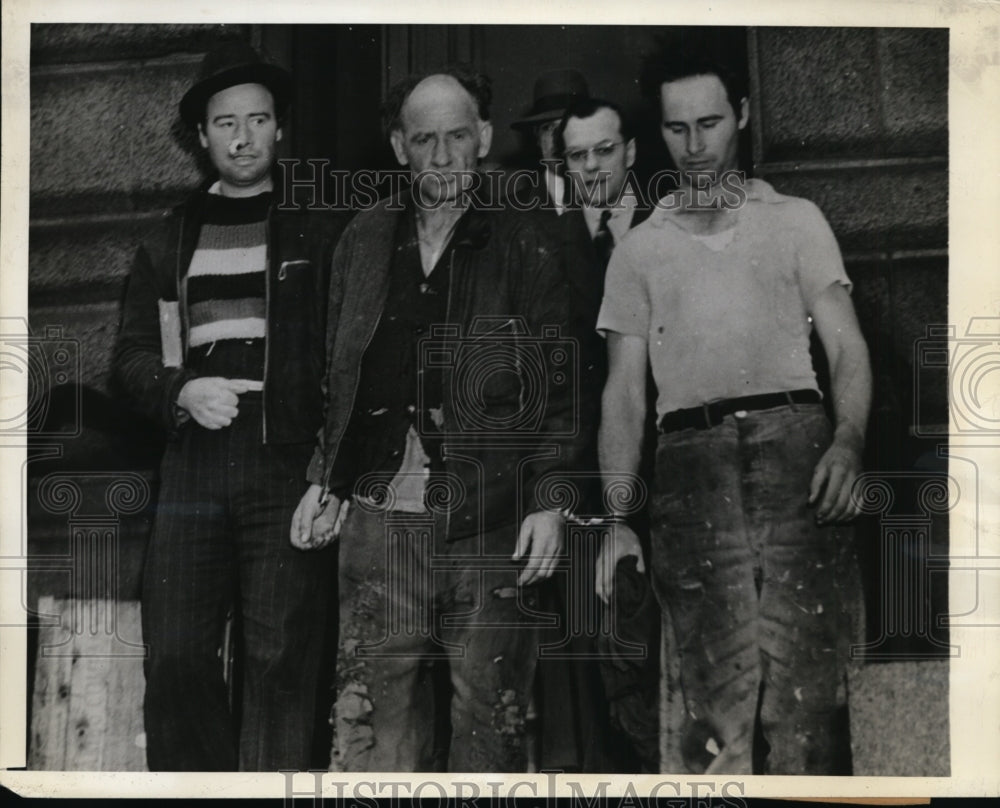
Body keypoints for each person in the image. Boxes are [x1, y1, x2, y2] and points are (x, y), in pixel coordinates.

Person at [290, 65, 579, 773]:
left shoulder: (525, 239)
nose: (443, 157)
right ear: (399, 147)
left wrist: (548, 500)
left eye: (457, 137)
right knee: (371, 734)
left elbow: (563, 390)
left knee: (491, 727)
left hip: (488, 523)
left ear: (483, 137)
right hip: (377, 521)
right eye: (425, 141)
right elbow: (341, 371)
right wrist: (325, 477)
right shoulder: (362, 239)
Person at [596, 46, 872, 775]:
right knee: (713, 709)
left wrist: (847, 441)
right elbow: (624, 392)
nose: (695, 146)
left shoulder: (796, 222)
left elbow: (846, 348)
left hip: (798, 459)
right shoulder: (640, 250)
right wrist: (619, 520)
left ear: (743, 117)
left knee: (808, 701)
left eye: (710, 124)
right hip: (690, 471)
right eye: (677, 128)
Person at [112, 39, 342, 771]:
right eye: (226, 123)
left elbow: (356, 351)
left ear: (280, 129)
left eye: (259, 119)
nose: (244, 136)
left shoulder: (323, 225)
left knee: (281, 660)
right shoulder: (169, 236)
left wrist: (331, 470)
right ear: (202, 137)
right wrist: (181, 390)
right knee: (176, 654)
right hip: (196, 456)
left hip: (286, 458)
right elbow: (131, 358)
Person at [510, 69, 591, 215]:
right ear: (537, 138)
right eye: (548, 128)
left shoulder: (618, 204)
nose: (558, 138)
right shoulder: (507, 212)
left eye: (568, 126)